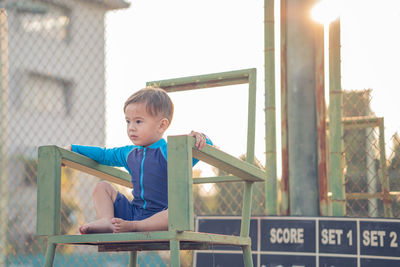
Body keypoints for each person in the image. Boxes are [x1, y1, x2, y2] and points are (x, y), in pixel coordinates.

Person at [66, 87, 212, 234]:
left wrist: (200, 137)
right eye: (128, 121)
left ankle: (136, 227)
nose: (131, 128)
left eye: (138, 122)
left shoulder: (172, 151)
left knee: (177, 212)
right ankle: (107, 220)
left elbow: (208, 146)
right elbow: (104, 155)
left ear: (162, 125)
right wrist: (73, 149)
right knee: (102, 187)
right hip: (132, 214)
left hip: (161, 218)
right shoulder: (129, 153)